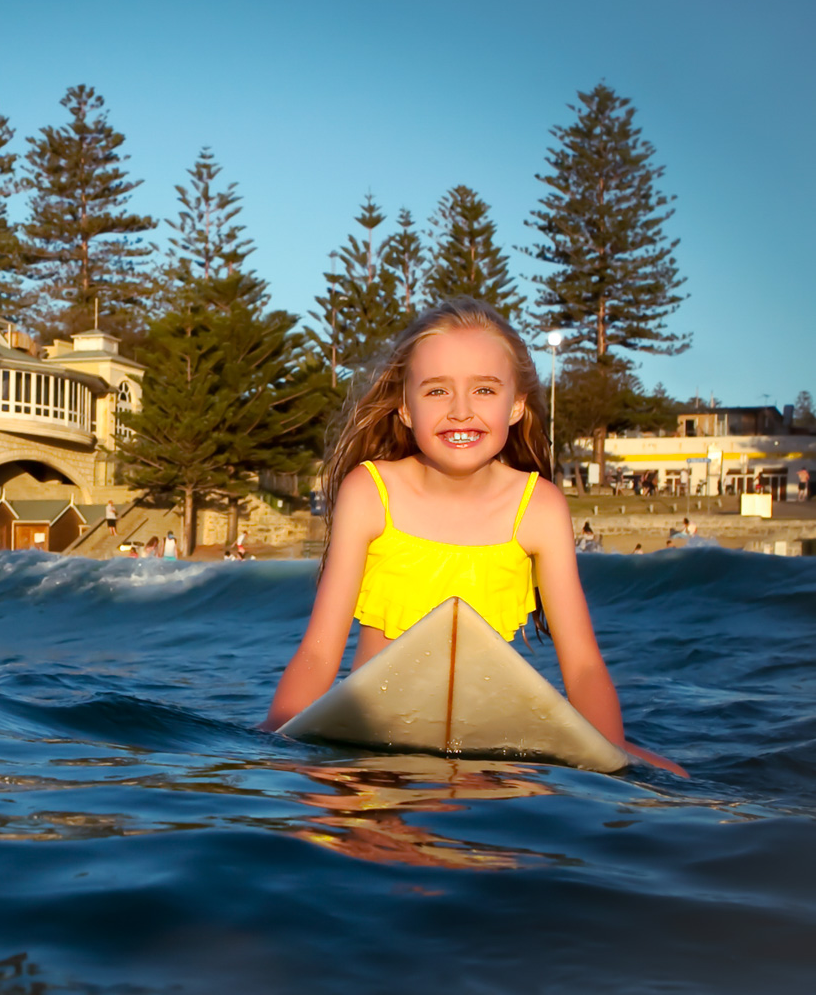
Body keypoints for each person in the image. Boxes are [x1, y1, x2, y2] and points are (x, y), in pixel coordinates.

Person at [258, 297, 683, 775]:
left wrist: (612, 763)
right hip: (377, 741)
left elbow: (582, 665)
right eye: (437, 391)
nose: (461, 411)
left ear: (517, 404)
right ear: (405, 407)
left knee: (674, 779)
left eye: (484, 390)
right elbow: (318, 652)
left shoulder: (538, 507)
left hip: (491, 748)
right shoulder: (371, 492)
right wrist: (277, 741)